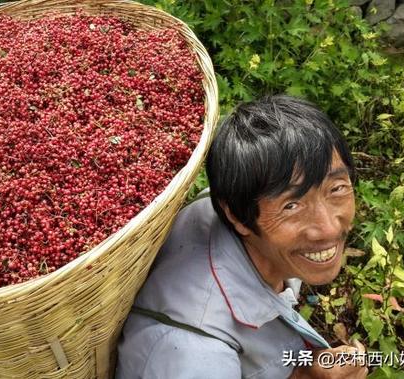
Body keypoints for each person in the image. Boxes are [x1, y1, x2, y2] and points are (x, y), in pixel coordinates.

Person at [116, 95, 369, 378]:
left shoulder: (230, 205)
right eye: (291, 205)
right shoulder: (195, 357)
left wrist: (301, 374)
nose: (329, 229)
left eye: (336, 188)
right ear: (236, 215)